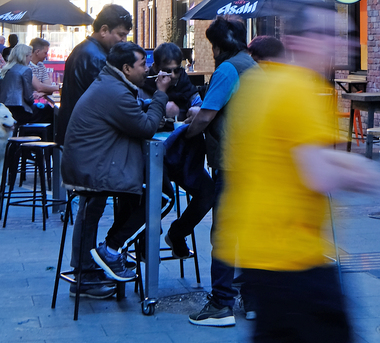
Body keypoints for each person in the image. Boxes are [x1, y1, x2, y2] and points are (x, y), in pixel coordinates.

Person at [213, 2, 376, 343]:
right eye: (335, 36)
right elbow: (317, 175)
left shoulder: (257, 85)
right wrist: (363, 174)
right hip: (298, 255)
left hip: (255, 249)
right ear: (305, 41)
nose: (344, 45)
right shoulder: (305, 91)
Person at [61, 42, 171, 296]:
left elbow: (130, 117)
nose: (147, 69)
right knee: (162, 196)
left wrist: (145, 106)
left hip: (93, 163)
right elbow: (145, 128)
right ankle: (110, 250)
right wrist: (160, 94)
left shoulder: (111, 83)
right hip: (93, 169)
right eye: (143, 64)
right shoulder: (116, 92)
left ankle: (108, 254)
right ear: (126, 68)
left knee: (142, 193)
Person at [181, 18, 258, 322]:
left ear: (219, 45)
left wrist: (184, 132)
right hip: (256, 160)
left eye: (213, 44)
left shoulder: (227, 70)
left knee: (224, 232)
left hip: (233, 161)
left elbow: (205, 117)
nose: (212, 50)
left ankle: (222, 303)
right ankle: (253, 301)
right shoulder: (253, 66)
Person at [56, 4, 132, 143]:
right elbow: (108, 100)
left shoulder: (82, 49)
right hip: (87, 137)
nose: (123, 40)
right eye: (121, 34)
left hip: (75, 133)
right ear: (104, 30)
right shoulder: (97, 58)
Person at [152, 41, 201, 121]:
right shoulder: (146, 85)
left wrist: (197, 111)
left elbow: (200, 106)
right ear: (155, 68)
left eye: (177, 70)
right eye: (167, 71)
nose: (173, 75)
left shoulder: (186, 85)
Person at [0, 43, 35, 126]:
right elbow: (29, 98)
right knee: (48, 111)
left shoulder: (5, 70)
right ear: (24, 56)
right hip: (20, 110)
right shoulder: (26, 70)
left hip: (4, 110)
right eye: (30, 56)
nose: (30, 59)